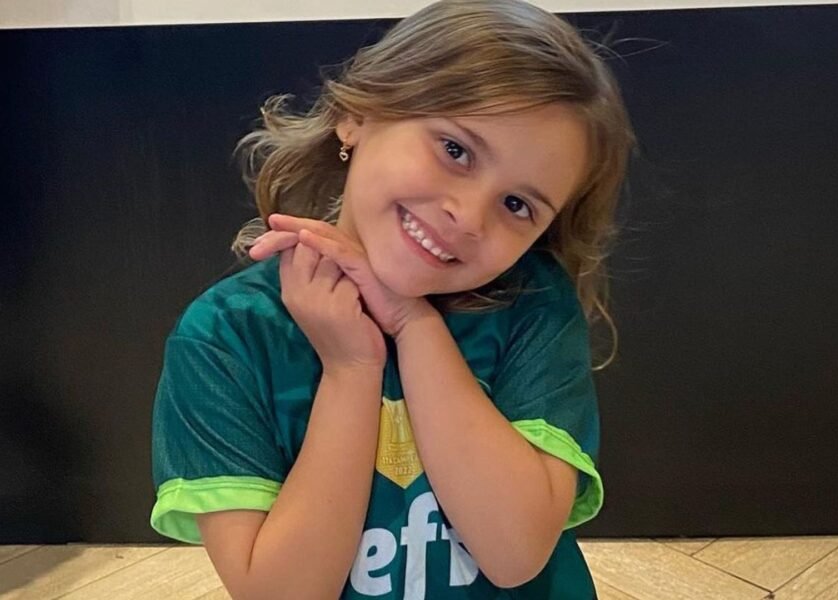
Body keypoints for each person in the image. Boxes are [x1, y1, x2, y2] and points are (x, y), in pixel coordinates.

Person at [149, 0, 634, 597]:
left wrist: (414, 324)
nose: (468, 216)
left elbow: (514, 554)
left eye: (517, 205)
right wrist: (351, 369)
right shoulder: (225, 335)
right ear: (356, 115)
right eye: (455, 150)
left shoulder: (534, 303)